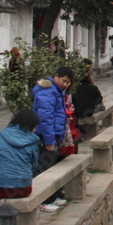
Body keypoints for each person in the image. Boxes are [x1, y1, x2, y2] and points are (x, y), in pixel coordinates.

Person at [32, 66, 73, 208]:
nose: (65, 84)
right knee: (44, 167)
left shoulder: (57, 91)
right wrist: (49, 140)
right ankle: (44, 201)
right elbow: (45, 118)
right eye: (64, 81)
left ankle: (52, 197)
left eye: (68, 82)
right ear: (56, 76)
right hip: (46, 136)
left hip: (54, 135)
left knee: (52, 165)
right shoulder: (48, 92)